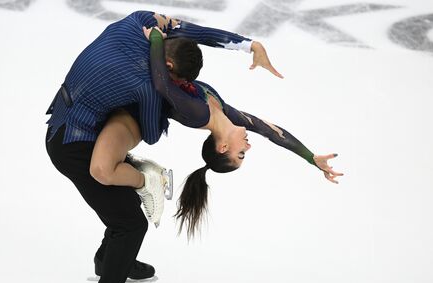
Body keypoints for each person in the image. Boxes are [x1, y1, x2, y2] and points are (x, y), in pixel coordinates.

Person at [45, 11, 278, 283]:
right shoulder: (147, 84)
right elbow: (152, 132)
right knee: (130, 223)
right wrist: (144, 170)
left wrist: (247, 45)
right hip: (73, 144)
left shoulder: (138, 20)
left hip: (71, 120)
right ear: (169, 70)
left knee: (121, 209)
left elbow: (187, 29)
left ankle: (106, 260)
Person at [90, 27, 343, 243]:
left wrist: (156, 38)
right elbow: (273, 132)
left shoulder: (198, 115)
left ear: (222, 147)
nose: (249, 148)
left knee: (103, 168)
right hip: (146, 82)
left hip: (133, 111)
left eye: (241, 154)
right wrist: (311, 158)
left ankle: (146, 178)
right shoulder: (223, 112)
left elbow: (163, 84)